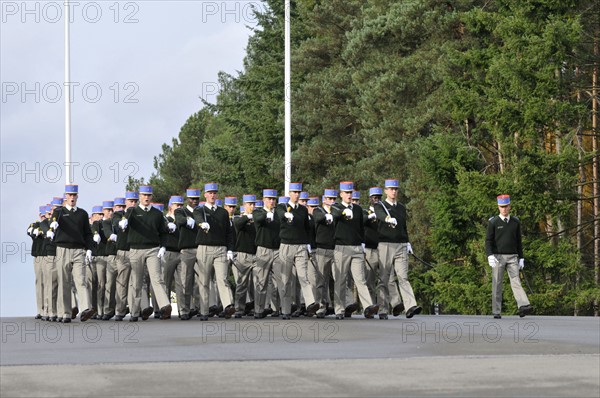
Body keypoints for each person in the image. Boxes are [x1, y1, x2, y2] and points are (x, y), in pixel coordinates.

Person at [119, 185, 172, 321]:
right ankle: (135, 312)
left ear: (151, 197)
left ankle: (165, 305)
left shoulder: (157, 214)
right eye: (144, 195)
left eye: (148, 195)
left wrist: (163, 246)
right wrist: (123, 223)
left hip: (152, 249)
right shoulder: (132, 212)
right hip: (136, 249)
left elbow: (163, 232)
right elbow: (124, 222)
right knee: (136, 281)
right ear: (140, 197)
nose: (146, 197)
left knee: (156, 277)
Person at [47, 184, 96, 322]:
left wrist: (89, 249)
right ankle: (66, 313)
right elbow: (53, 222)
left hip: (78, 250)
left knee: (81, 280)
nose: (72, 197)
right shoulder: (59, 212)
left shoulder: (82, 214)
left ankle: (85, 309)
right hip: (62, 249)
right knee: (64, 282)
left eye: (74, 195)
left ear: (77, 196)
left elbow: (87, 233)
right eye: (69, 195)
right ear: (66, 196)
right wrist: (53, 225)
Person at [374, 179, 422, 318]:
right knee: (384, 278)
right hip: (385, 244)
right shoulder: (380, 205)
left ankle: (410, 306)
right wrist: (387, 219)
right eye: (390, 189)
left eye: (395, 189)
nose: (393, 191)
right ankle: (383, 308)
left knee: (403, 276)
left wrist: (407, 242)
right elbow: (380, 215)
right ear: (386, 191)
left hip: (401, 245)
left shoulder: (401, 207)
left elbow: (403, 226)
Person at [331, 181, 378, 320]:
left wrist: (362, 243)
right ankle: (339, 309)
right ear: (341, 194)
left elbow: (361, 228)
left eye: (351, 192)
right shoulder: (336, 207)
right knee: (341, 280)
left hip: (357, 247)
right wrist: (342, 212)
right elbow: (334, 215)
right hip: (342, 247)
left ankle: (368, 307)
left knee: (360, 279)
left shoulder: (357, 209)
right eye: (346, 193)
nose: (349, 195)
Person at [275, 183, 320, 319]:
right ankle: (286, 310)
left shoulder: (302, 210)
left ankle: (310, 303)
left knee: (303, 276)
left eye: (298, 192)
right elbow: (280, 214)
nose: (296, 194)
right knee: (286, 279)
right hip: (287, 245)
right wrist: (286, 215)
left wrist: (308, 245)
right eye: (294, 192)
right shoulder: (281, 206)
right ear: (289, 193)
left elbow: (307, 228)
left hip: (300, 246)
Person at [193, 183, 236, 320]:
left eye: (214, 193)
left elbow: (229, 232)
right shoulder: (200, 210)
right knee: (204, 281)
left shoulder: (223, 212)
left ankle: (228, 305)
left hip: (221, 249)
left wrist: (230, 249)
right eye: (209, 193)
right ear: (205, 195)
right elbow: (197, 217)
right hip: (204, 247)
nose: (212, 195)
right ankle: (204, 311)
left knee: (222, 279)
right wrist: (202, 223)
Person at [486, 194, 533, 319]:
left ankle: (523, 306)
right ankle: (496, 311)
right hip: (498, 257)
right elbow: (488, 240)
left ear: (510, 206)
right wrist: (490, 255)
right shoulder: (494, 222)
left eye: (506, 206)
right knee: (497, 283)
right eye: (501, 207)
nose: (504, 209)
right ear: (498, 207)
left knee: (516, 281)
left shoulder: (515, 222)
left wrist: (521, 257)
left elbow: (519, 241)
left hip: (512, 257)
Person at [253, 189, 282, 317]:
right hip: (263, 249)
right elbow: (257, 219)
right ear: (264, 200)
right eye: (269, 199)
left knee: (279, 281)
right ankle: (259, 309)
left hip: (277, 250)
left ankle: (277, 308)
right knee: (262, 280)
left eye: (273, 199)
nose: (271, 201)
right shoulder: (258, 211)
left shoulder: (278, 214)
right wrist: (266, 215)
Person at [174, 188, 201, 320]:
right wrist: (186, 220)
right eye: (192, 199)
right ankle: (184, 309)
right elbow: (178, 220)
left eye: (196, 199)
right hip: (187, 250)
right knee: (185, 280)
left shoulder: (201, 212)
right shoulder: (181, 211)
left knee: (202, 280)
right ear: (187, 199)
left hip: (201, 248)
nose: (194, 201)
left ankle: (199, 307)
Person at [233, 195, 258, 317]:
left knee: (258, 283)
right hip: (243, 254)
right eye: (249, 204)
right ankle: (239, 308)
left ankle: (256, 307)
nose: (252, 206)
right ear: (244, 205)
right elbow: (237, 223)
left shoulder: (257, 219)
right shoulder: (239, 218)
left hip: (257, 254)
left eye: (254, 204)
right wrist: (247, 217)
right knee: (242, 283)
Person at [163, 196, 185, 319]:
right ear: (171, 206)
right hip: (168, 252)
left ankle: (183, 310)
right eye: (177, 205)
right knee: (166, 282)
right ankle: (165, 309)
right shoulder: (164, 219)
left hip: (181, 252)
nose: (180, 207)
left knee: (181, 283)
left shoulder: (182, 220)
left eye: (181, 205)